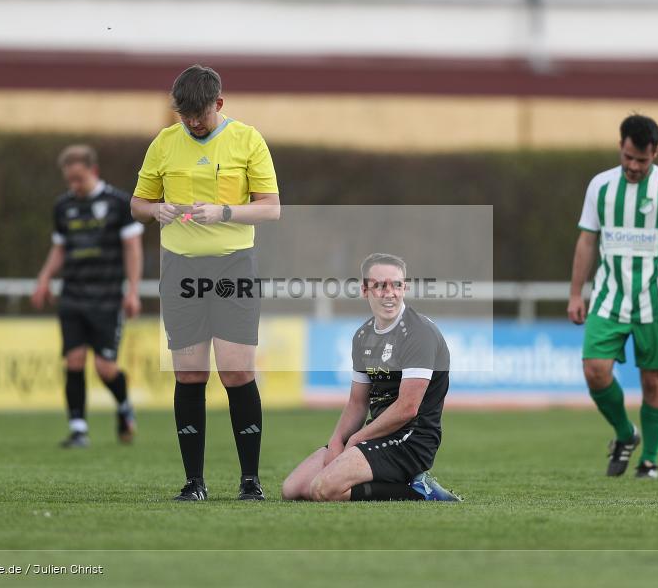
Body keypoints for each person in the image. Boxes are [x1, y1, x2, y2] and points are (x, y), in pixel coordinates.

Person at [130, 64, 280, 501]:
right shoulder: (163, 143)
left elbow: (271, 207)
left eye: (200, 114)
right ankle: (194, 482)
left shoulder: (247, 139)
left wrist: (225, 212)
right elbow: (138, 202)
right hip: (181, 270)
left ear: (219, 104)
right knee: (190, 373)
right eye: (184, 115)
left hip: (234, 268)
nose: (192, 123)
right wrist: (153, 211)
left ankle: (250, 481)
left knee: (236, 371)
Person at [567, 115, 658, 480]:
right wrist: (577, 293)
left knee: (653, 381)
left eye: (641, 159)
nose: (633, 166)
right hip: (608, 297)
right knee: (595, 370)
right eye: (627, 157)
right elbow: (587, 241)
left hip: (655, 300)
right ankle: (626, 434)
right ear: (620, 148)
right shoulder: (601, 187)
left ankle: (649, 460)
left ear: (655, 153)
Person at [282, 253, 461, 502]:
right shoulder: (363, 335)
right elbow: (357, 402)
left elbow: (408, 408)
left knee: (323, 490)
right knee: (293, 489)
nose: (390, 292)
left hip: (411, 440)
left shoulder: (418, 333)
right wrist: (337, 441)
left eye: (397, 284)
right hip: (377, 435)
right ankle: (384, 475)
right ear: (365, 289)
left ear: (405, 288)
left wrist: (356, 439)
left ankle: (419, 491)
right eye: (380, 285)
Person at [31, 144, 143, 448]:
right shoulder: (63, 207)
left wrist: (132, 291)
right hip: (73, 295)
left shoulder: (119, 203)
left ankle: (123, 406)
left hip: (107, 297)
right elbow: (59, 248)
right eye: (69, 180)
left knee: (105, 368)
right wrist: (44, 278)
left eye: (79, 179)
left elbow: (132, 248)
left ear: (93, 171)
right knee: (74, 360)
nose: (74, 186)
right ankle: (78, 429)